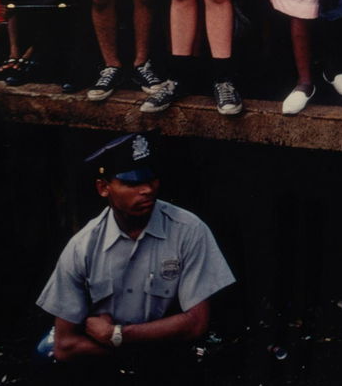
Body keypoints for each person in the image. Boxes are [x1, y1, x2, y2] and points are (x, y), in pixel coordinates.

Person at [36, 133, 235, 370]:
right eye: (131, 183)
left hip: (166, 350)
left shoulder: (189, 230)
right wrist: (133, 358)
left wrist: (118, 335)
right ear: (103, 188)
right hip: (113, 358)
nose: (147, 190)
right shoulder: (82, 246)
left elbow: (196, 323)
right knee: (45, 354)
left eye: (151, 180)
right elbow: (65, 345)